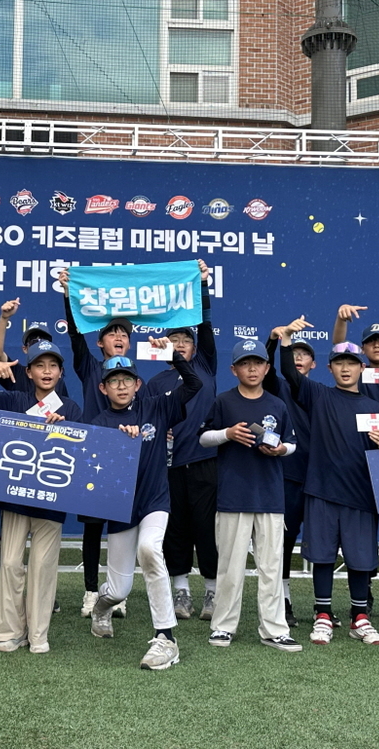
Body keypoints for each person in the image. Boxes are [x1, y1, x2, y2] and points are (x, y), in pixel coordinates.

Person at [277, 319, 379, 647]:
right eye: (339, 363)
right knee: (323, 556)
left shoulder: (374, 407)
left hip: (360, 495)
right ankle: (323, 616)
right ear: (329, 368)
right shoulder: (318, 395)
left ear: (362, 368)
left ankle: (360, 618)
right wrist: (286, 340)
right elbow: (289, 373)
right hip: (322, 491)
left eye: (351, 363)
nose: (345, 368)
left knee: (360, 559)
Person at [88, 353, 201, 670]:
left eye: (127, 380)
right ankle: (101, 608)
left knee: (150, 549)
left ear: (138, 384)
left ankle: (166, 638)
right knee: (118, 591)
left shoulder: (157, 406)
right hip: (121, 510)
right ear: (103, 388)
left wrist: (174, 356)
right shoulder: (99, 424)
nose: (121, 386)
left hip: (155, 501)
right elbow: (94, 474)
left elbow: (194, 384)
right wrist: (118, 444)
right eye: (113, 381)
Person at [0, 340, 83, 653]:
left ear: (61, 372)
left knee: (42, 568)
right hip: (15, 497)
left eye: (53, 366)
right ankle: (10, 631)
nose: (46, 371)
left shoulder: (71, 408)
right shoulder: (15, 399)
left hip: (51, 501)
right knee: (10, 563)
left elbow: (82, 452)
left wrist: (66, 430)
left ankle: (38, 634)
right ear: (29, 372)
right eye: (39, 365)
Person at [198, 340, 300, 651]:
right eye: (245, 363)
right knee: (230, 567)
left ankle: (274, 629)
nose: (252, 369)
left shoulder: (277, 405)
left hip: (270, 497)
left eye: (257, 363)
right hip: (233, 497)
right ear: (234, 369)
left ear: (267, 368)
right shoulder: (224, 401)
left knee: (271, 567)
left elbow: (291, 443)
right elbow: (203, 438)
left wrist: (280, 449)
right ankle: (223, 626)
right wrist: (227, 434)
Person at [141, 260, 217, 620]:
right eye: (175, 340)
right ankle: (181, 593)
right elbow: (147, 423)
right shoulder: (155, 382)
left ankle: (212, 593)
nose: (182, 344)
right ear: (165, 345)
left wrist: (202, 285)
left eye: (186, 340)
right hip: (168, 467)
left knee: (207, 530)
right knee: (175, 532)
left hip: (204, 463)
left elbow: (205, 324)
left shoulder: (204, 367)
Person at [58, 269, 133, 619]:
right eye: (112, 333)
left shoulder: (135, 378)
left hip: (124, 459)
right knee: (92, 528)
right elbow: (75, 335)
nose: (119, 337)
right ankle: (91, 592)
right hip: (92, 457)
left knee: (122, 530)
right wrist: (68, 295)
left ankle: (117, 593)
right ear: (101, 343)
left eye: (124, 334)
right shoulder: (90, 368)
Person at [334, 305, 379, 621]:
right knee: (363, 534)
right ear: (362, 350)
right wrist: (341, 321)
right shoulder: (355, 375)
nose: (377, 345)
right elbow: (339, 349)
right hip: (360, 464)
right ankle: (366, 594)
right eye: (370, 342)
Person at [262, 328, 315, 628]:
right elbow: (268, 367)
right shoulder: (278, 386)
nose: (298, 358)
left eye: (304, 354)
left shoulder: (319, 392)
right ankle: (282, 600)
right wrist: (274, 341)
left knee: (322, 542)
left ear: (313, 363)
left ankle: (325, 607)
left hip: (319, 478)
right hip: (289, 476)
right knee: (282, 541)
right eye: (294, 353)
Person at [0, 302, 69, 398]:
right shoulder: (16, 373)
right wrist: (4, 318)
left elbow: (65, 405)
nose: (39, 345)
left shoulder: (56, 380)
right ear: (25, 349)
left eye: (43, 341)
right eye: (33, 342)